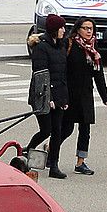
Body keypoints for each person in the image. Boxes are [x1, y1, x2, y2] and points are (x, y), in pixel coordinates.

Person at [62, 18, 107, 176]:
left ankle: (80, 162)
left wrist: (105, 96)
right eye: (86, 28)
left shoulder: (93, 48)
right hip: (70, 93)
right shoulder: (69, 44)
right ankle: (51, 149)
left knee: (85, 129)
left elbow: (98, 73)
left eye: (91, 29)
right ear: (78, 29)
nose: (89, 31)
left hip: (86, 94)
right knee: (67, 129)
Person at [26, 14, 70, 179]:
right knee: (46, 130)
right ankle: (27, 150)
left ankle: (54, 165)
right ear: (53, 29)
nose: (64, 31)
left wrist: (64, 99)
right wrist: (48, 98)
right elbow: (40, 75)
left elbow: (62, 75)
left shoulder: (60, 46)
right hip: (42, 95)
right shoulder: (41, 48)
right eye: (61, 28)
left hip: (59, 96)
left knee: (57, 131)